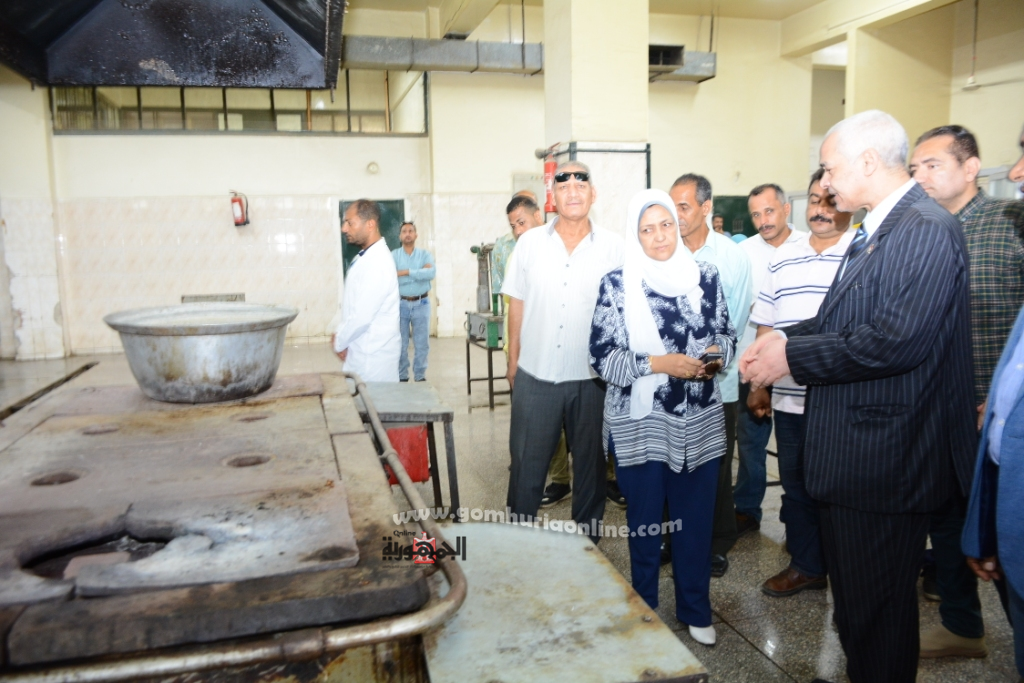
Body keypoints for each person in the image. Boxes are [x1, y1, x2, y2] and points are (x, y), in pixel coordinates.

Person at [741, 109, 976, 683]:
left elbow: (897, 341)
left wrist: (791, 357)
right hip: (859, 456)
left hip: (886, 460)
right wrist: (782, 338)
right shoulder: (874, 229)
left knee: (877, 614)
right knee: (858, 611)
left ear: (868, 162)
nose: (823, 184)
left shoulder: (923, 228)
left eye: (829, 167)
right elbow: (835, 320)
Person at [590, 189, 735, 647]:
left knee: (695, 523)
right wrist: (660, 363)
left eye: (666, 225)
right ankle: (645, 610)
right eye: (647, 229)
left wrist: (713, 357)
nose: (659, 237)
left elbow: (726, 335)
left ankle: (695, 608)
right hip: (643, 424)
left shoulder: (705, 275)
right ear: (635, 235)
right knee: (647, 526)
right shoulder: (617, 283)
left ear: (679, 224)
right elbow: (601, 357)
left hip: (701, 421)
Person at [910, 124, 1024, 658]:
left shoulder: (1010, 226)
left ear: (971, 167)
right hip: (936, 411)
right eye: (915, 167)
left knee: (1005, 532)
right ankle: (962, 624)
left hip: (996, 416)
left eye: (932, 165)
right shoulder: (918, 229)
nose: (920, 176)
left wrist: (1002, 399)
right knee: (949, 521)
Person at [502, 161, 624, 537]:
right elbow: (517, 303)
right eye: (564, 185)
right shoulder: (529, 244)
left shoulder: (614, 248)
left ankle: (588, 542)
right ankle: (518, 534)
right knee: (526, 462)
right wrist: (513, 361)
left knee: (590, 466)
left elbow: (622, 314)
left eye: (581, 184)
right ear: (552, 197)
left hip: (591, 381)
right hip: (536, 375)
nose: (573, 191)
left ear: (593, 194)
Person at [749, 169, 853, 598]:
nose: (821, 210)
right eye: (815, 200)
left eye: (830, 201)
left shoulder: (861, 253)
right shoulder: (782, 258)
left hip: (842, 400)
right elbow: (767, 325)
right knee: (797, 485)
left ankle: (849, 569)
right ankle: (808, 566)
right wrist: (759, 383)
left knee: (841, 491)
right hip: (791, 399)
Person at [669, 173, 751, 577]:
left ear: (706, 208)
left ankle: (717, 542)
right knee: (674, 461)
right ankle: (675, 533)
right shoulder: (665, 252)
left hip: (720, 384)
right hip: (671, 383)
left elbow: (735, 318)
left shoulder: (732, 257)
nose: (676, 216)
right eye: (673, 207)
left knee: (714, 466)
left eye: (683, 207)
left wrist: (710, 359)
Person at [733, 184, 807, 536]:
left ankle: (797, 517)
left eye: (769, 211)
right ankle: (747, 509)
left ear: (786, 209)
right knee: (751, 444)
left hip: (799, 365)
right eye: (756, 214)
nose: (763, 220)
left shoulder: (809, 246)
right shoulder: (744, 252)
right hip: (755, 365)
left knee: (800, 448)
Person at [333, 199, 401, 382]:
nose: (344, 228)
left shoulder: (377, 263)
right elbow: (351, 305)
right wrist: (341, 335)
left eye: (350, 222)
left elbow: (362, 317)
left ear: (370, 224)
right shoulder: (365, 257)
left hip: (373, 362)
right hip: (362, 354)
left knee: (374, 408)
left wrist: (339, 342)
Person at [392, 221, 435, 382]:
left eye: (411, 231)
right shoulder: (394, 255)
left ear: (416, 235)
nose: (407, 233)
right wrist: (419, 272)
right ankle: (402, 375)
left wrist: (405, 272)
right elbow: (391, 275)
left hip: (421, 304)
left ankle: (420, 375)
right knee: (400, 344)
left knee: (422, 343)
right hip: (401, 304)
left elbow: (431, 273)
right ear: (400, 236)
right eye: (404, 231)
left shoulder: (425, 255)